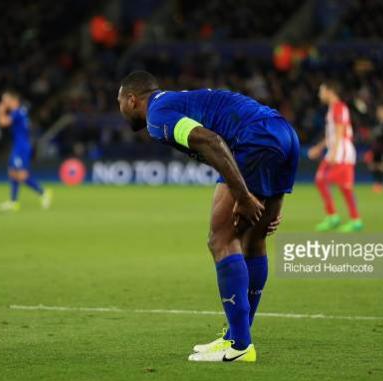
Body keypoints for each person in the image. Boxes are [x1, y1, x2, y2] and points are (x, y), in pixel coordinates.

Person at [116, 71, 299, 362]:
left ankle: (240, 345)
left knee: (220, 241)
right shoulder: (176, 102)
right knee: (254, 239)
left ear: (132, 99)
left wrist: (241, 195)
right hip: (283, 132)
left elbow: (210, 141)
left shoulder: (158, 116)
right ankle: (236, 337)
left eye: (120, 103)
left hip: (253, 138)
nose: (120, 110)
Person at [308, 80, 362, 232]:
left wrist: (333, 152)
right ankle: (334, 217)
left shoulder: (338, 107)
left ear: (330, 91)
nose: (320, 94)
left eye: (322, 90)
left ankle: (353, 220)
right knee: (321, 180)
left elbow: (340, 131)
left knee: (340, 185)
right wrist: (320, 148)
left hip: (342, 152)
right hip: (336, 150)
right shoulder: (334, 108)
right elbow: (332, 134)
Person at [0, 90, 52, 211]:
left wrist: (0, 111)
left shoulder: (17, 112)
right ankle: (14, 202)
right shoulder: (21, 112)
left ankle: (43, 192)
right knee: (12, 173)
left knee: (21, 175)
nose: (4, 103)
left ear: (14, 100)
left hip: (22, 147)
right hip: (19, 145)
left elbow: (3, 122)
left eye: (5, 100)